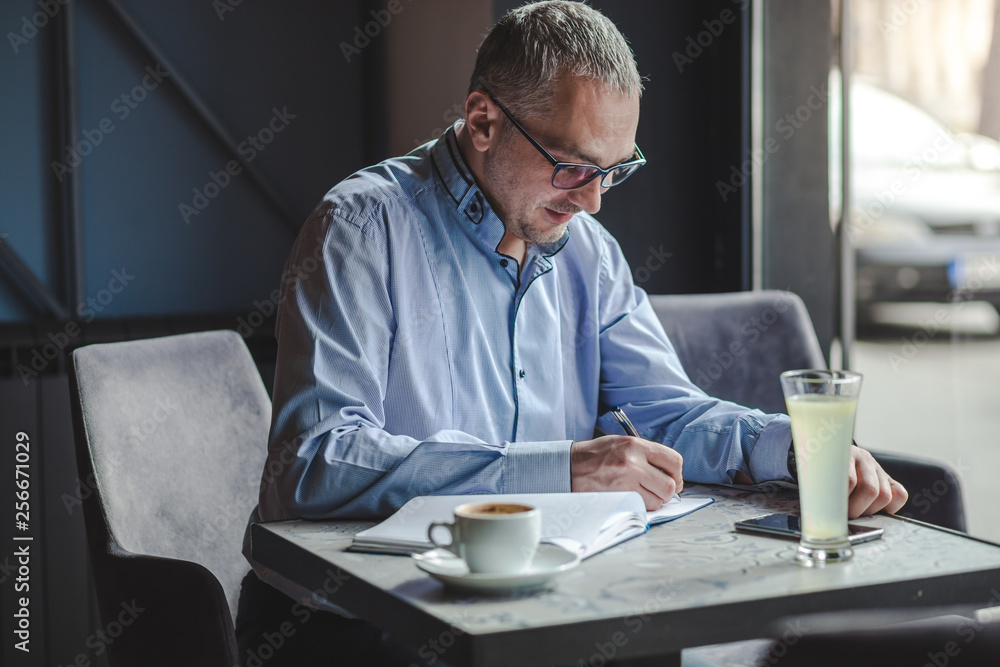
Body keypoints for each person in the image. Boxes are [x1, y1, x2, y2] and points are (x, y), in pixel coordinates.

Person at [236, 2, 908, 665]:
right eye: (573, 165)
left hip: (542, 604)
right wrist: (561, 470)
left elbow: (665, 412)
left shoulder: (585, 249)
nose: (593, 200)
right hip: (357, 621)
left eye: (614, 169)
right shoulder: (359, 229)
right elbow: (315, 463)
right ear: (483, 121)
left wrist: (792, 446)